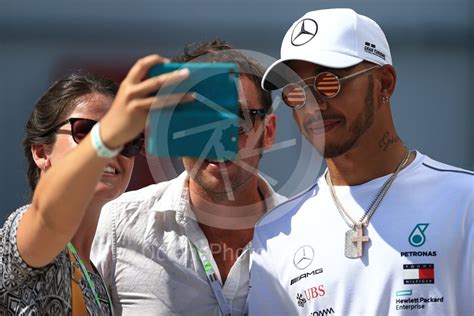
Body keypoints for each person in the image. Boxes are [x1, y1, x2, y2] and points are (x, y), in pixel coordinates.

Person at [248, 8, 473, 315]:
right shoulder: (274, 234)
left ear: (385, 83)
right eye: (296, 93)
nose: (314, 104)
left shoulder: (466, 203)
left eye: (329, 82)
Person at [91, 40, 286, 315]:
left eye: (238, 118)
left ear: (268, 132)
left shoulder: (311, 231)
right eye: (198, 120)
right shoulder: (115, 226)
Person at [0, 55, 192, 314]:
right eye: (86, 131)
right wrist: (107, 136)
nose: (113, 150)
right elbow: (47, 217)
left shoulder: (95, 276)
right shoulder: (23, 233)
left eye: (128, 140)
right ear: (41, 152)